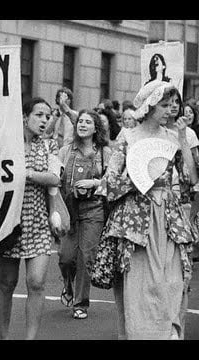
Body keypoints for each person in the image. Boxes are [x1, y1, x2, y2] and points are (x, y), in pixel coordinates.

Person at [95, 80, 198, 339]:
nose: (171, 109)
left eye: (173, 104)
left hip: (169, 217)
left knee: (173, 282)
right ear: (150, 106)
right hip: (135, 220)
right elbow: (109, 182)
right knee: (140, 285)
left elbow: (190, 181)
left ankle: (169, 333)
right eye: (164, 104)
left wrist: (183, 139)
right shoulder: (128, 137)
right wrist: (138, 181)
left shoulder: (174, 137)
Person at [0, 97, 61, 340]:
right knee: (6, 283)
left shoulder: (50, 146)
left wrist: (28, 173)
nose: (45, 120)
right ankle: (4, 336)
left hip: (39, 221)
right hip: (9, 222)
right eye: (39, 115)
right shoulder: (6, 144)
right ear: (25, 116)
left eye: (48, 115)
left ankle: (30, 338)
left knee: (36, 282)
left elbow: (55, 178)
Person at [58, 109, 111, 320]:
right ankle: (67, 285)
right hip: (69, 208)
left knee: (86, 257)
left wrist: (95, 182)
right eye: (80, 121)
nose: (82, 124)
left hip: (94, 209)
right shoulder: (65, 151)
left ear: (95, 128)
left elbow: (113, 179)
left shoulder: (105, 153)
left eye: (88, 122)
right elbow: (56, 178)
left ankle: (81, 303)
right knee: (65, 258)